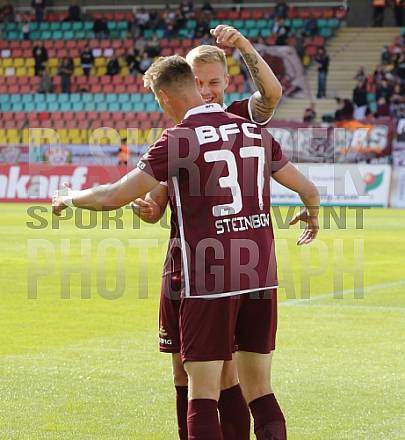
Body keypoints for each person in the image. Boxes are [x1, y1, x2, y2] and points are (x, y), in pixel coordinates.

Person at [53, 54, 319, 440]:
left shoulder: (178, 139)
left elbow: (113, 196)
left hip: (208, 276)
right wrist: (312, 213)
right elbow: (308, 188)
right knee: (260, 390)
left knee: (203, 393)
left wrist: (69, 197)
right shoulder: (254, 131)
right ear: (195, 85)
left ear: (164, 96)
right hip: (261, 274)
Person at [130, 26, 310, 440]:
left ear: (227, 82)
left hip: (220, 268)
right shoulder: (180, 131)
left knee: (222, 375)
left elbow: (272, 94)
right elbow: (159, 198)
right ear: (185, 83)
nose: (206, 91)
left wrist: (243, 45)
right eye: (197, 82)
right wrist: (151, 207)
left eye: (213, 82)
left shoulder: (242, 118)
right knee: (183, 369)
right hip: (182, 264)